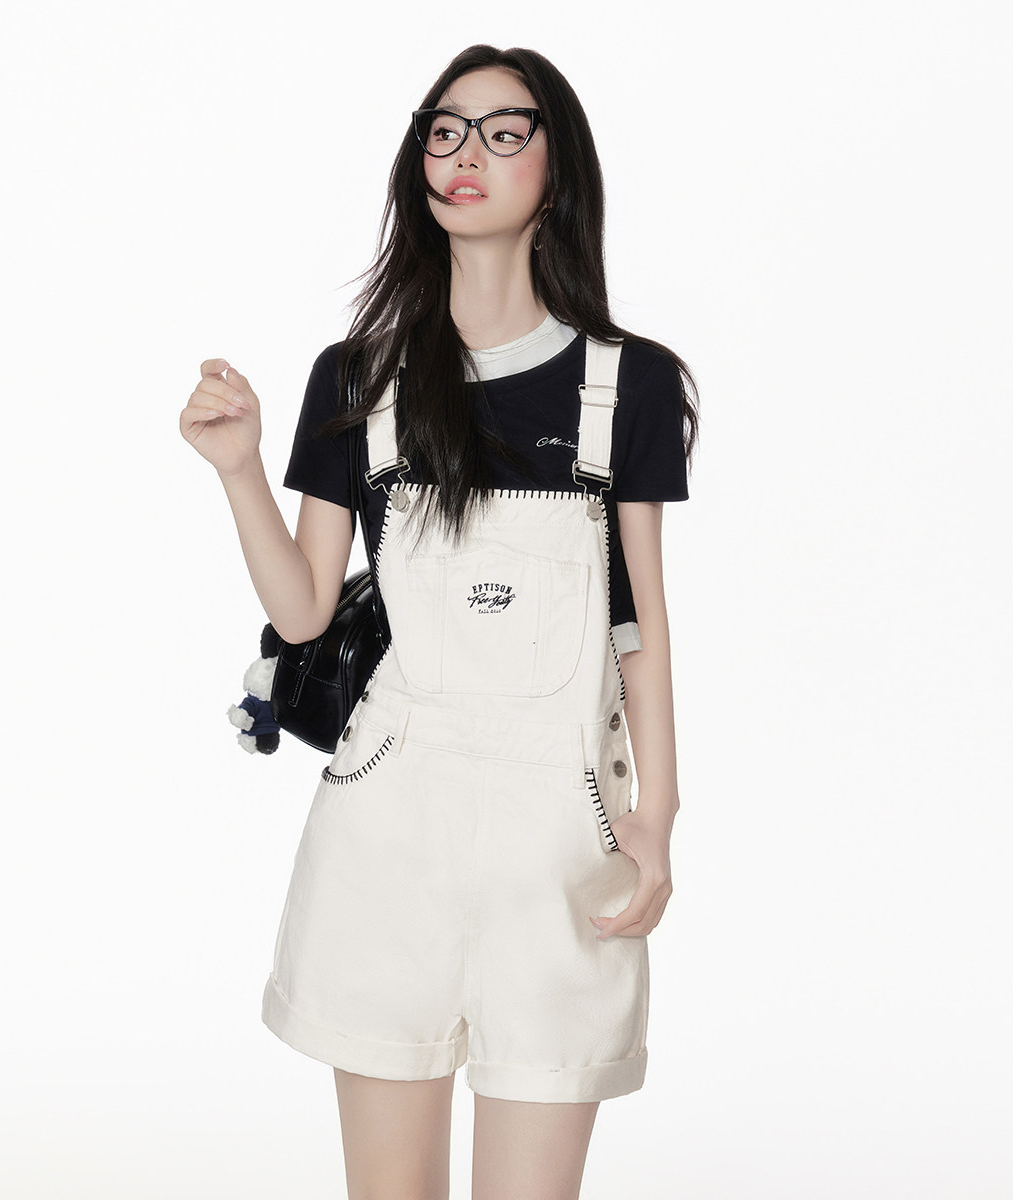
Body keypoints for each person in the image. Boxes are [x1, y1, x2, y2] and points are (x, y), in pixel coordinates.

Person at [180, 43, 698, 1200]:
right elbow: (305, 610)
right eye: (446, 130)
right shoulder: (355, 377)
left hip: (559, 836)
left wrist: (656, 824)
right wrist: (240, 468)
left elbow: (642, 628)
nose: (468, 153)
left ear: (557, 172)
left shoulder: (629, 385)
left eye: (505, 132)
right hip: (388, 832)